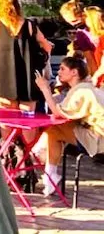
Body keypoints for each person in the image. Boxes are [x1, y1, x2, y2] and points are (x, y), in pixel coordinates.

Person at [34, 56, 104, 195]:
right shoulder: (86, 88)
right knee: (54, 131)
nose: (59, 72)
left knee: (53, 130)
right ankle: (49, 173)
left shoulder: (81, 92)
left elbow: (57, 112)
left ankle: (46, 168)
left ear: (74, 72)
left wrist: (44, 89)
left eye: (62, 69)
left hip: (99, 139)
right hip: (95, 133)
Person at [0, 0, 53, 109]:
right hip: (27, 74)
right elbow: (47, 46)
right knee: (28, 120)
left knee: (7, 121)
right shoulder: (29, 25)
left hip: (4, 74)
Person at [72, 5, 104, 85]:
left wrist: (95, 79)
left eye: (85, 16)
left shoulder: (82, 35)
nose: (82, 19)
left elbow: (91, 61)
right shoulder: (83, 34)